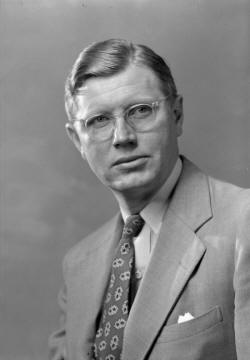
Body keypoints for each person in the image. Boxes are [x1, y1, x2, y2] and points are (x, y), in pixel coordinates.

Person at [49, 39, 250, 360]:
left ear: (177, 114)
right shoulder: (78, 265)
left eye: (141, 111)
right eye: (99, 120)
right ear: (77, 140)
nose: (123, 137)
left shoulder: (243, 222)